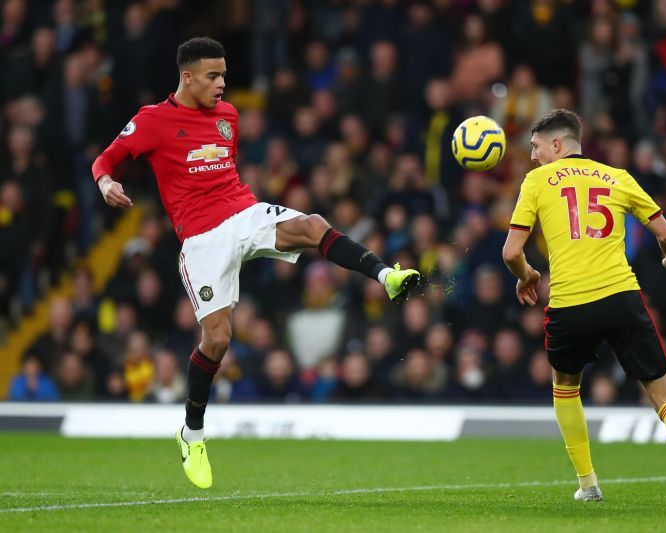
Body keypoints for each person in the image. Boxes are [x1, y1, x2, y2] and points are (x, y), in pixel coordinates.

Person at [91, 37, 420, 490]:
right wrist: (106, 182)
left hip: (242, 212)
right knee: (218, 340)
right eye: (213, 76)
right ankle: (192, 433)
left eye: (225, 75)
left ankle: (387, 274)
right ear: (187, 77)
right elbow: (105, 159)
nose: (223, 85)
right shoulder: (153, 120)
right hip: (202, 239)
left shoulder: (228, 117)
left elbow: (222, 173)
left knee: (312, 224)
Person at [501, 109, 666, 505]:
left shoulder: (536, 181)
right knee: (665, 395)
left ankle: (588, 484)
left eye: (537, 147)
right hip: (621, 298)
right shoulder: (618, 177)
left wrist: (527, 276)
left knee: (566, 389)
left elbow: (510, 252)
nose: (534, 155)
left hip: (570, 304)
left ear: (558, 145)